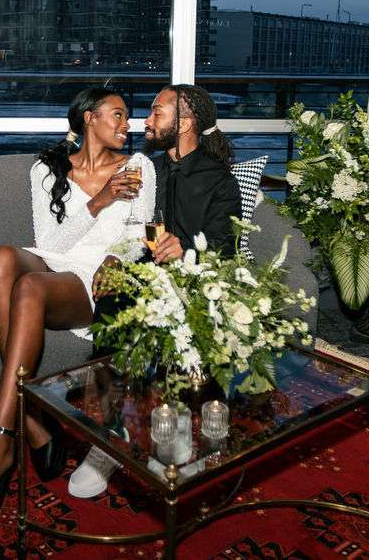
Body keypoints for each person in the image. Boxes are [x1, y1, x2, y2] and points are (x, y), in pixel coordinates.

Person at [0, 87, 156, 528]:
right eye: (117, 114)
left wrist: (118, 257)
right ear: (88, 118)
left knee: (30, 286)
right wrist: (100, 199)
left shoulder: (139, 166)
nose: (127, 124)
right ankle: (31, 416)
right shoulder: (46, 168)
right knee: (0, 256)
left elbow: (136, 239)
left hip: (98, 276)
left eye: (128, 117)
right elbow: (51, 244)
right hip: (58, 259)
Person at [68, 83, 242, 499]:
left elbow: (226, 247)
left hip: (193, 282)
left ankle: (175, 433)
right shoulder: (145, 170)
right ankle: (107, 438)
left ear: (186, 122)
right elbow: (121, 228)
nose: (145, 120)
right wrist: (113, 258)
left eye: (157, 112)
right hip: (142, 277)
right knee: (112, 295)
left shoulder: (220, 181)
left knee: (190, 316)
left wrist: (186, 249)